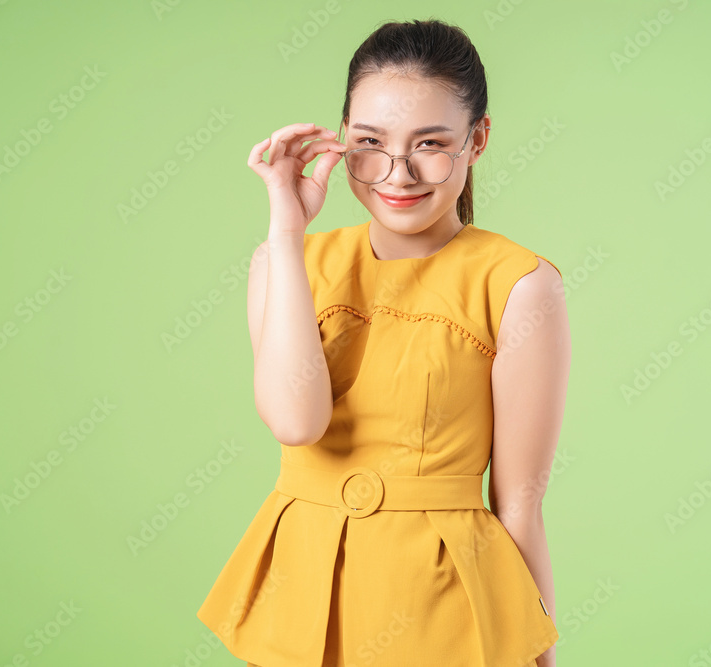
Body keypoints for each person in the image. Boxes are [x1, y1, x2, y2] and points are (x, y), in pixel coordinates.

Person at [196, 18, 571, 667]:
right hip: (302, 601)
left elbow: (519, 506)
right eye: (370, 142)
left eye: (431, 142)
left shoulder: (518, 285)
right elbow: (295, 420)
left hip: (445, 611)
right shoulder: (284, 263)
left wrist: (537, 655)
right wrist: (286, 229)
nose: (397, 172)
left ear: (477, 140)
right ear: (341, 142)